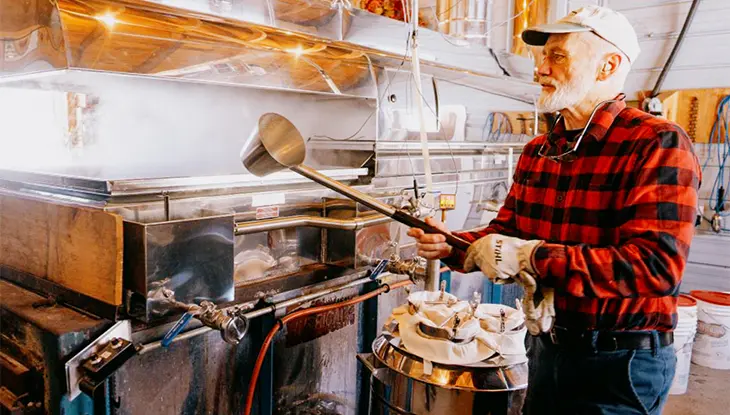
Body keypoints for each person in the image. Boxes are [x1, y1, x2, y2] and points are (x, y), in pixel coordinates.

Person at [407, 5, 701, 415]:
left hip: (620, 363)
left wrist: (532, 258)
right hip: (546, 346)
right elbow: (508, 231)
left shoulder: (656, 143)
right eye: (542, 57)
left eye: (557, 56)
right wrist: (453, 245)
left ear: (607, 66)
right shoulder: (539, 150)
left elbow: (655, 267)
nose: (541, 69)